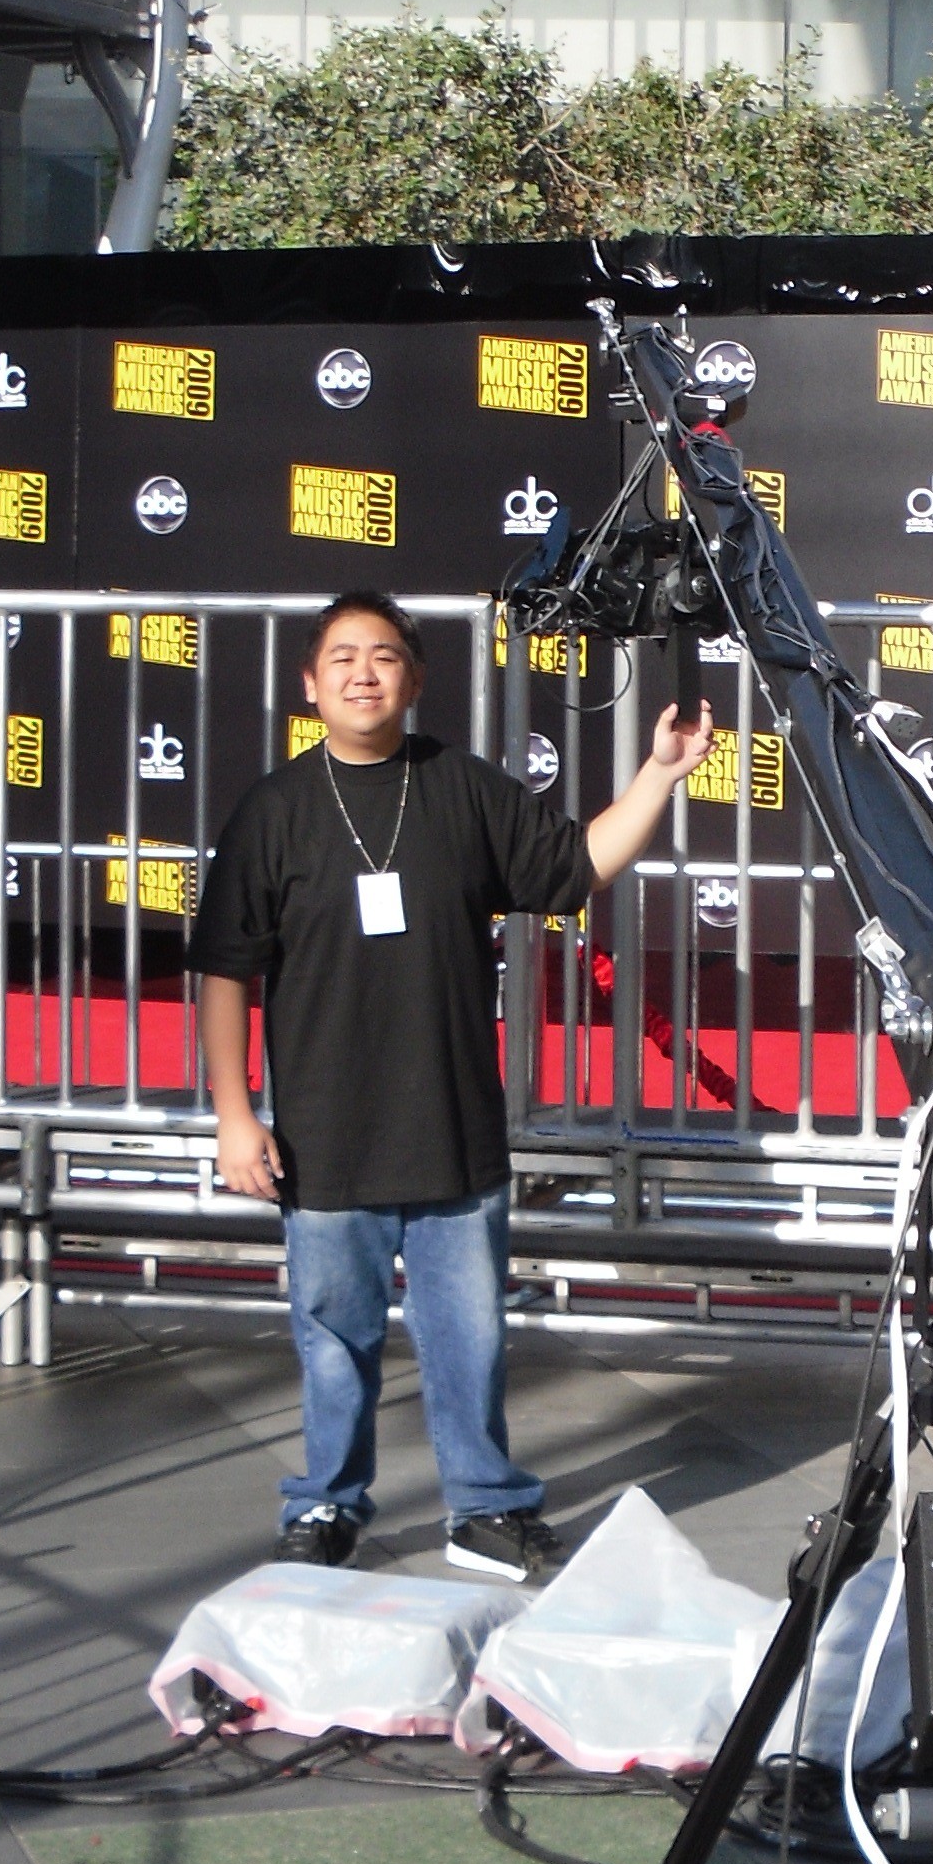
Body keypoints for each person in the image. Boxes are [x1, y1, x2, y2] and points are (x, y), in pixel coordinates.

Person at [190, 585, 713, 1581]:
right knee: (331, 1340)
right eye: (342, 657)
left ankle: (484, 1507)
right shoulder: (274, 811)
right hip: (323, 1136)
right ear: (310, 684)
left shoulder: (463, 790)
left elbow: (574, 867)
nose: (362, 673)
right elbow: (225, 970)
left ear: (415, 679)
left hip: (454, 1129)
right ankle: (326, 1506)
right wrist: (231, 1114)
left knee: (469, 1337)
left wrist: (658, 774)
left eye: (383, 655)